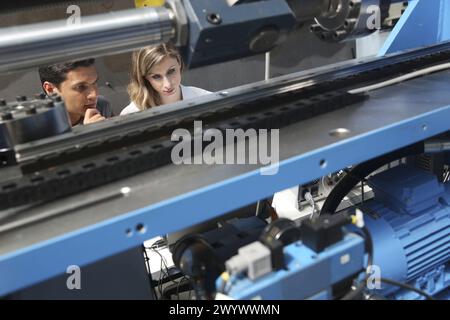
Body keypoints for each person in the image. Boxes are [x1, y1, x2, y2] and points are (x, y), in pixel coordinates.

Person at [120, 43, 211, 115]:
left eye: (171, 71)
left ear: (179, 62)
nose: (168, 84)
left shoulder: (206, 100)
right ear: (145, 78)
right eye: (156, 76)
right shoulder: (132, 114)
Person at [38, 59, 113, 126]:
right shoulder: (39, 128)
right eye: (81, 87)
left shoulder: (102, 105)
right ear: (50, 89)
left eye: (94, 82)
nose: (94, 95)